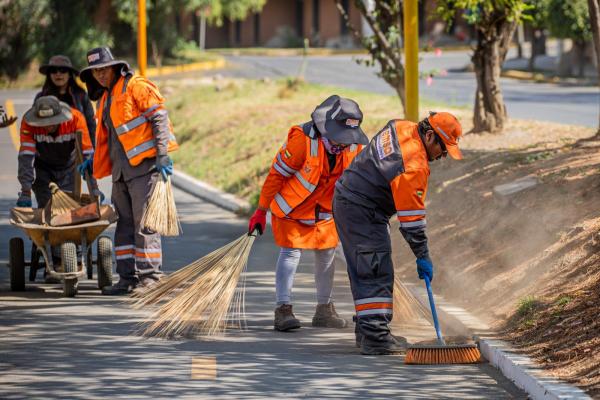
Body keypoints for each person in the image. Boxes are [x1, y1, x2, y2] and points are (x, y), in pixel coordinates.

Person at [332, 112, 463, 355]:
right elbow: (412, 221)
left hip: (348, 198)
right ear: (430, 135)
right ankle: (376, 338)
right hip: (362, 210)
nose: (442, 156)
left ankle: (367, 330)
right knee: (375, 270)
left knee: (364, 268)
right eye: (443, 149)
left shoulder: (402, 126)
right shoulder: (413, 165)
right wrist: (422, 255)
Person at [248, 95, 368, 331]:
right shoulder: (302, 141)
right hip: (293, 209)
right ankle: (283, 310)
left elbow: (360, 182)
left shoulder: (355, 146)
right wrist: (261, 211)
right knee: (291, 253)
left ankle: (324, 310)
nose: (344, 144)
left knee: (327, 255)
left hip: (325, 211)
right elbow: (276, 175)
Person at [79, 47, 178, 295]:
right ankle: (127, 278)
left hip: (144, 168)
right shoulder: (105, 98)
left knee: (145, 224)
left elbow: (159, 118)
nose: (100, 75)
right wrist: (92, 160)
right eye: (96, 71)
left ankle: (151, 278)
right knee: (124, 224)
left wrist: (162, 155)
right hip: (121, 173)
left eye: (103, 69)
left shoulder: (136, 86)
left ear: (114, 67)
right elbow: (109, 137)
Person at [17, 96, 94, 209]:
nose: (48, 126)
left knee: (68, 207)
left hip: (69, 168)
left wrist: (94, 188)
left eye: (52, 122)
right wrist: (25, 192)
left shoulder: (76, 119)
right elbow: (26, 157)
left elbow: (87, 154)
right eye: (44, 123)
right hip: (43, 168)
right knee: (46, 207)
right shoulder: (29, 123)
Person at [36, 55, 96, 146]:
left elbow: (91, 125)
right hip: (47, 154)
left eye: (63, 70)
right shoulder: (41, 98)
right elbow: (34, 127)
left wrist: (93, 152)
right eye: (53, 70)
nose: (58, 74)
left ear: (70, 74)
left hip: (77, 153)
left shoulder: (81, 96)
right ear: (49, 75)